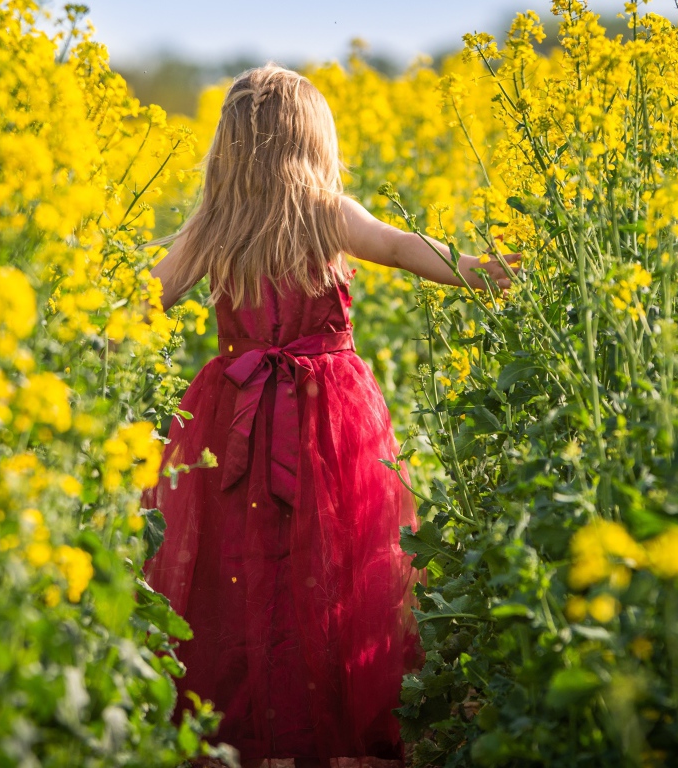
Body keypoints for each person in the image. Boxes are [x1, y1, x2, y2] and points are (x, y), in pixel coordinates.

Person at [142, 64, 520, 768]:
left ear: (230, 148)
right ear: (313, 141)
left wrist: (81, 322)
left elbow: (145, 300)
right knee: (335, 568)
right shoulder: (328, 212)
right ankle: (330, 736)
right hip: (329, 417)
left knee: (238, 567)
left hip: (235, 418)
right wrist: (474, 269)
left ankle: (243, 736)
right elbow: (405, 249)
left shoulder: (215, 224)